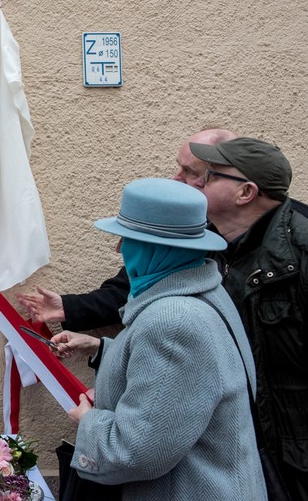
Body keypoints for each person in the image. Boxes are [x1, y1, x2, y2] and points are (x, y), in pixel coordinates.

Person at [53, 178, 266, 500]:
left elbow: (136, 453)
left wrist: (89, 423)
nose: (119, 249)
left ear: (155, 247)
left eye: (128, 239)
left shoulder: (174, 320)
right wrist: (100, 348)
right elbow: (189, 381)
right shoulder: (203, 292)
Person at [16, 127, 237, 329]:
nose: (176, 178)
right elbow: (133, 288)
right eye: (179, 166)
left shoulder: (173, 320)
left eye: (191, 171)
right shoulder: (187, 227)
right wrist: (69, 308)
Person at [190, 137, 308, 500]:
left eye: (210, 175)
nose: (197, 182)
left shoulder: (304, 254)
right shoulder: (207, 246)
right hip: (241, 450)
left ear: (245, 192)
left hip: (299, 460)